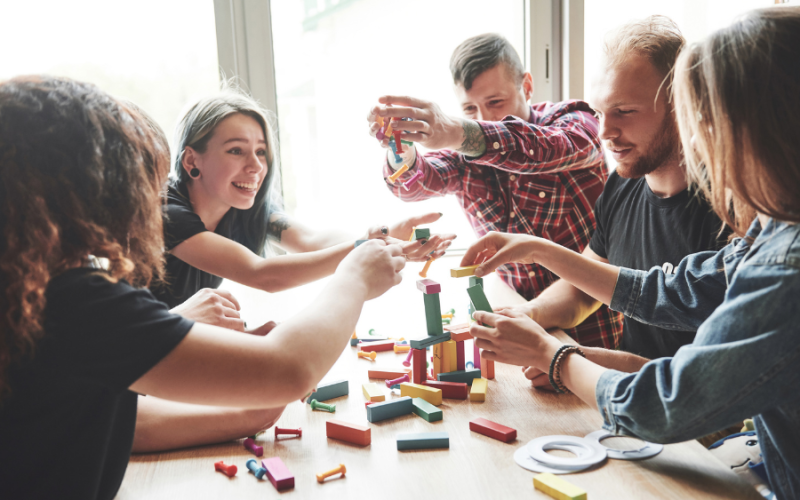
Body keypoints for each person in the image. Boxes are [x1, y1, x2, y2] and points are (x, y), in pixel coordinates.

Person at [0, 75, 405, 499]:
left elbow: (115, 413)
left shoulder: (35, 285)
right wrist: (356, 277)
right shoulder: (77, 300)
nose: (147, 195)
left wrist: (246, 398)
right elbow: (287, 368)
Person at [461, 7, 800, 498]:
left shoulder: (783, 262)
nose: (703, 141)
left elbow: (671, 404)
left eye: (709, 123)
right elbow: (673, 288)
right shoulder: (775, 231)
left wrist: (553, 355)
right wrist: (539, 254)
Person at [501, 16, 730, 381]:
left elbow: (711, 384)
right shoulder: (622, 186)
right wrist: (531, 313)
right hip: (627, 402)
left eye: (624, 111)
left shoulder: (734, 210)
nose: (605, 132)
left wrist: (578, 364)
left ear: (680, 104)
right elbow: (583, 291)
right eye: (599, 112)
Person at [367, 33, 622, 350]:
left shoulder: (574, 121)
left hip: (601, 331)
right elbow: (414, 184)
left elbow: (543, 149)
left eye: (495, 103)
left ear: (526, 86)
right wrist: (400, 149)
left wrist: (459, 131)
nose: (484, 118)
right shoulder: (464, 157)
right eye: (470, 109)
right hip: (518, 329)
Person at [151, 89, 454, 311]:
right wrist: (365, 247)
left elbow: (312, 240)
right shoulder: (168, 212)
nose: (256, 166)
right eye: (236, 150)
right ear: (192, 159)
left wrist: (383, 239)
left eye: (260, 151)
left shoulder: (242, 208)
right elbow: (263, 275)